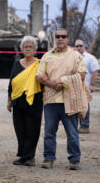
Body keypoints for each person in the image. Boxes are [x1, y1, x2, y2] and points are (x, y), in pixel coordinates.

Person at [36, 28, 87, 170]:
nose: (60, 39)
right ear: (54, 38)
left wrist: (64, 81)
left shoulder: (75, 56)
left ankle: (74, 160)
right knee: (49, 132)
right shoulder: (47, 56)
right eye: (58, 36)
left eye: (63, 36)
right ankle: (48, 158)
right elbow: (39, 75)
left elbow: (82, 74)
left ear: (68, 39)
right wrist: (52, 84)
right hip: (51, 100)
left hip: (69, 99)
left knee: (72, 132)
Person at [7, 36, 43, 167]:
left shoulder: (39, 65)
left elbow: (43, 82)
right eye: (26, 47)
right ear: (22, 49)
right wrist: (9, 100)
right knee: (20, 129)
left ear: (35, 50)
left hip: (34, 101)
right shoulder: (17, 63)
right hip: (18, 101)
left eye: (30, 47)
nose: (28, 49)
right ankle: (22, 156)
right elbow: (11, 82)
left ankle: (30, 157)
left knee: (32, 129)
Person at [74, 39, 100, 134]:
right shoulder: (71, 57)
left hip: (85, 87)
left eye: (80, 46)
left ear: (84, 47)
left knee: (84, 107)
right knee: (73, 107)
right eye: (77, 46)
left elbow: (94, 72)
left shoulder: (90, 58)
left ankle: (84, 126)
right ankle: (74, 126)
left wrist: (92, 85)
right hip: (73, 87)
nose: (79, 48)